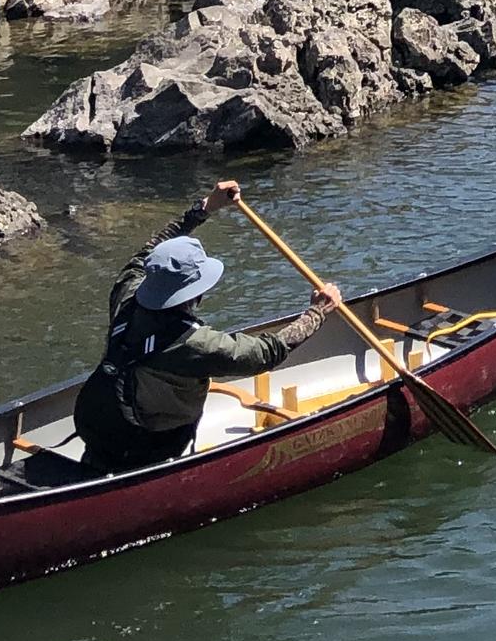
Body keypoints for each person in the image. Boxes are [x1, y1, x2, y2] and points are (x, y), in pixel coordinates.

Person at [72, 178, 349, 474]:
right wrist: (318, 312)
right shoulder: (193, 344)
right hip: (146, 444)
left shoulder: (127, 292)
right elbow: (267, 352)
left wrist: (206, 207)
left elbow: (150, 249)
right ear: (196, 293)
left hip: (93, 424)